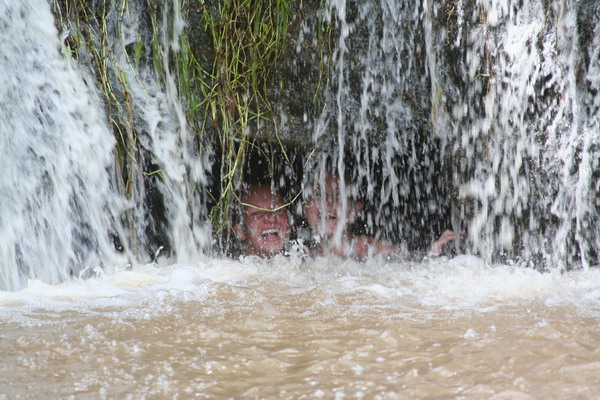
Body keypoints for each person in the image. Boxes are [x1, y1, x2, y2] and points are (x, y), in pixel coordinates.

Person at [302, 172, 459, 259]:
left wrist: (434, 251)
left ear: (355, 211)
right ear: (304, 210)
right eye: (318, 195)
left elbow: (415, 267)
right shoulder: (299, 258)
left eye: (338, 195)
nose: (327, 203)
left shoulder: (371, 248)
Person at [234, 184, 291, 258]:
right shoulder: (225, 267)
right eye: (257, 213)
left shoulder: (306, 261)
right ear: (240, 231)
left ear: (290, 222)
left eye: (278, 210)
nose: (271, 218)